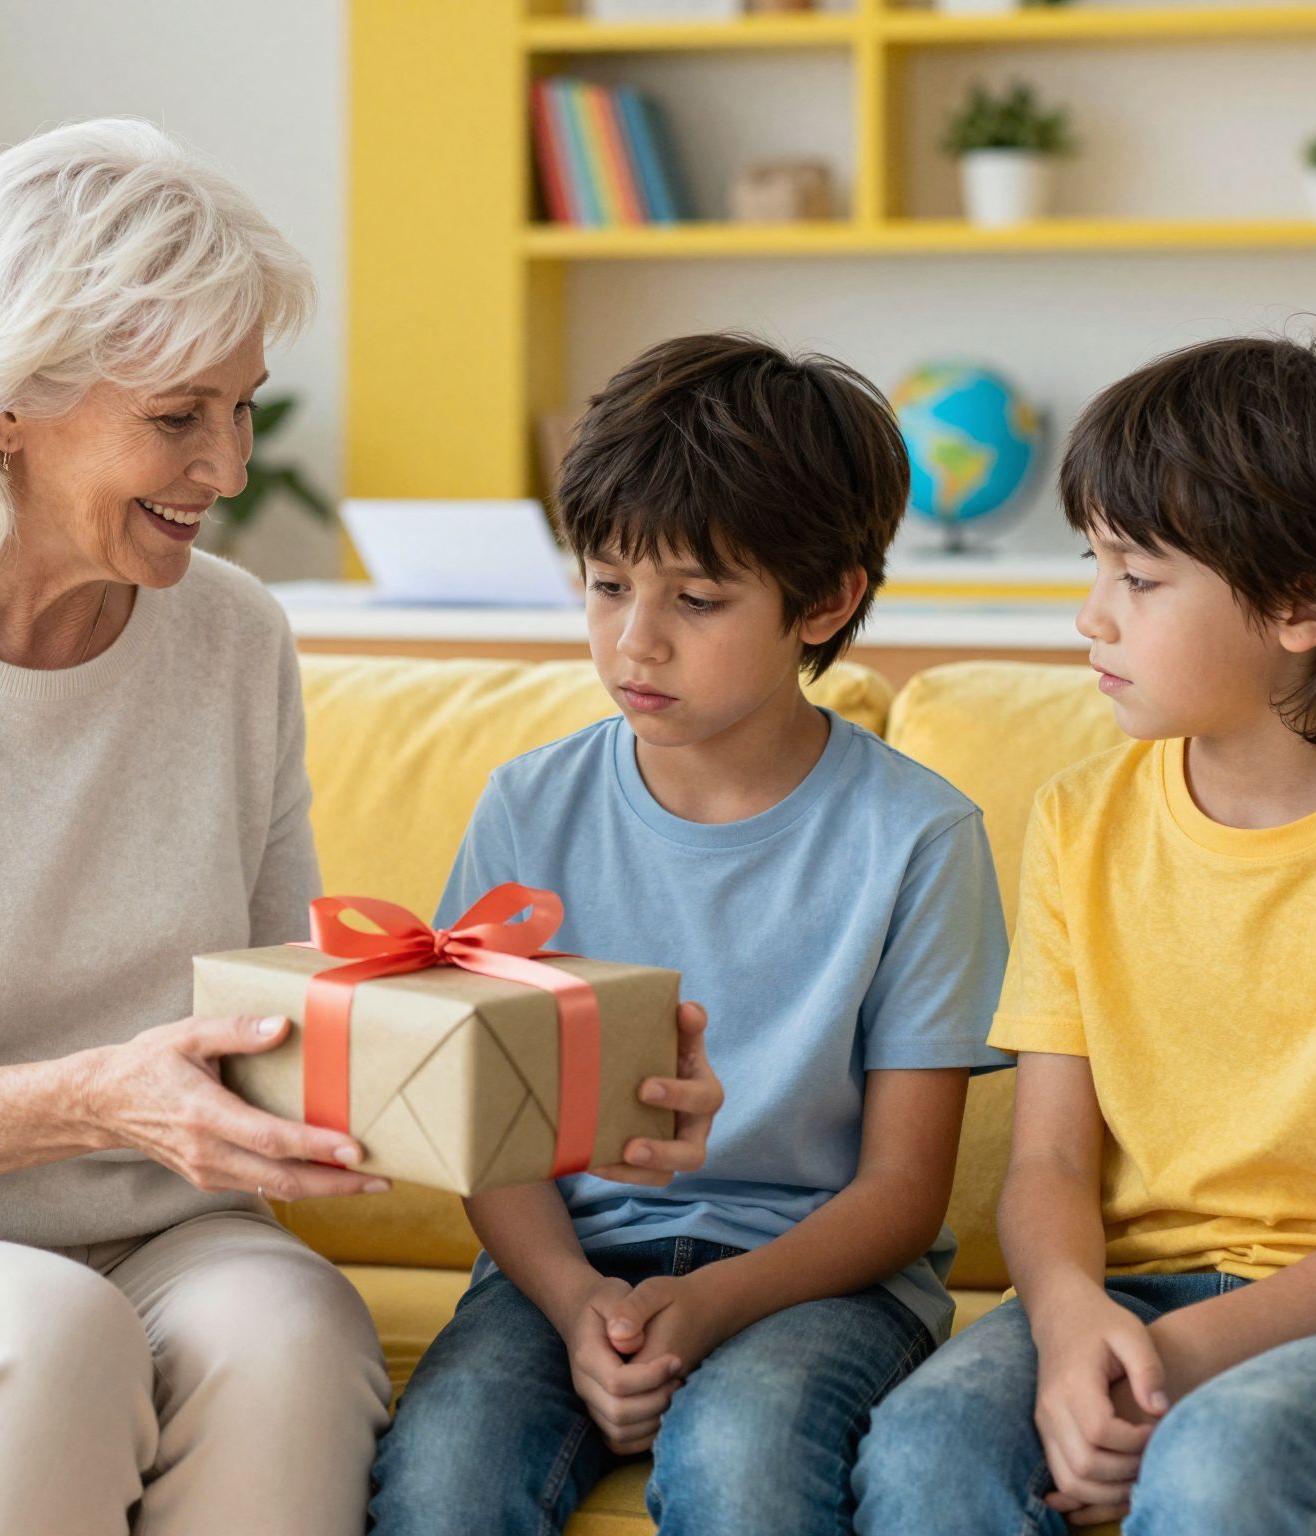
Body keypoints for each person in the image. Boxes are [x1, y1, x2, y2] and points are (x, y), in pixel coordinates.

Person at [0, 118, 719, 1536]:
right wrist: (99, 1099)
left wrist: (567, 1098)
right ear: (3, 404)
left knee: (295, 1342)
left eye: (242, 408)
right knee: (45, 1343)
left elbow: (282, 1014)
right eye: (177, 417)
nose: (226, 468)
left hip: (164, 1230)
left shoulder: (230, 633)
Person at [853, 335, 1316, 1536]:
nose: (1089, 615)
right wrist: (1070, 1325)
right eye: (1093, 564)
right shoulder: (1077, 821)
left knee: (1218, 1461)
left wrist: (1178, 1360)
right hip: (1122, 1294)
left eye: (1138, 578)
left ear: (1304, 604)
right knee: (924, 1450)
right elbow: (1046, 1165)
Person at [369, 332, 1011, 1536]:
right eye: (607, 585)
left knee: (743, 1462)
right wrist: (575, 1302)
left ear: (826, 602)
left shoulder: (918, 838)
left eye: (696, 601)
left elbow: (901, 1190)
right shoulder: (527, 806)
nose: (635, 641)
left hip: (820, 1280)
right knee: (445, 1477)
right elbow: (487, 1134)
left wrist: (711, 1306)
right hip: (562, 1266)